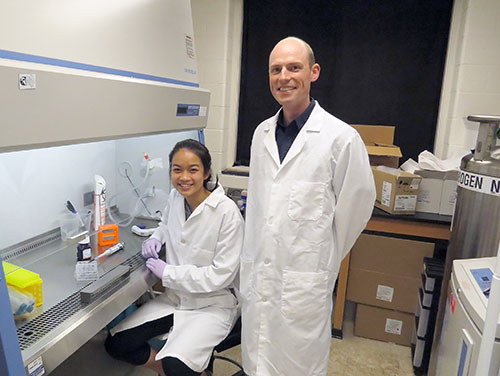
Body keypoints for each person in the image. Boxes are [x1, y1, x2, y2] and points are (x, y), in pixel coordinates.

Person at [240, 36, 376, 376]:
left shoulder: (340, 138)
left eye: (294, 68)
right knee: (256, 360)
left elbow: (356, 209)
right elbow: (260, 210)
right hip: (261, 278)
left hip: (303, 284)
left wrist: (320, 261)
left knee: (297, 365)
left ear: (313, 73)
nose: (284, 76)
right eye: (276, 69)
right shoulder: (261, 134)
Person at [105, 139, 244, 376]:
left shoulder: (226, 212)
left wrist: (167, 272)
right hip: (177, 299)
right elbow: (165, 224)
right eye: (177, 169)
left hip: (213, 304)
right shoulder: (175, 198)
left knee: (176, 364)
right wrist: (155, 238)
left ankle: (178, 370)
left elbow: (219, 276)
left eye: (193, 170)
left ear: (206, 173)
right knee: (118, 343)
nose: (184, 177)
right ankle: (173, 371)